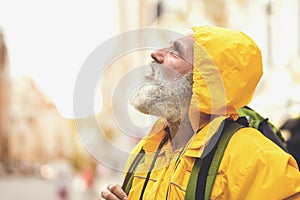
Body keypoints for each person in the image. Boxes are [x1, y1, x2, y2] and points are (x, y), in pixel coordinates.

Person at [100, 25, 300, 199]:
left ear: (206, 79)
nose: (156, 54)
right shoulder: (144, 151)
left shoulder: (258, 160)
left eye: (175, 52)